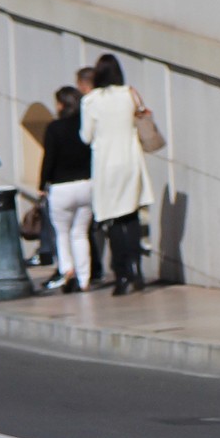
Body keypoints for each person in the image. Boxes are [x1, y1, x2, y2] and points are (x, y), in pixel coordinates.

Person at [81, 54, 154, 296]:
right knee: (131, 214)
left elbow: (86, 136)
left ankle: (122, 273)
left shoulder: (92, 100)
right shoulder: (129, 94)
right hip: (131, 160)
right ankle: (136, 267)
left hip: (106, 164)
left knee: (112, 219)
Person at [38, 86, 93, 293]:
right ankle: (85, 278)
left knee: (62, 233)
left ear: (61, 104)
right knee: (80, 233)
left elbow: (48, 159)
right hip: (85, 185)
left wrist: (42, 184)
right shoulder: (85, 126)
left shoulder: (54, 128)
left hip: (61, 187)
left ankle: (66, 268)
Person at [76, 65, 105, 286]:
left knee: (81, 230)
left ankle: (87, 272)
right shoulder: (113, 97)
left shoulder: (88, 103)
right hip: (95, 175)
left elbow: (86, 137)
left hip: (96, 169)